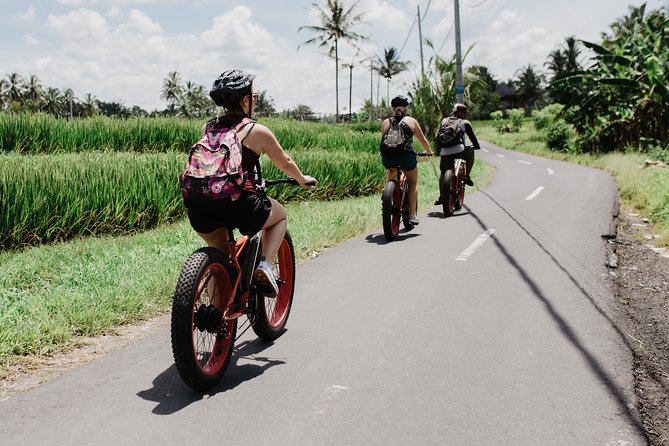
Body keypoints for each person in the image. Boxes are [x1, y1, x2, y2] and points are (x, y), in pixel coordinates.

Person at [184, 69, 317, 298]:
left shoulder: (207, 129)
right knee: (280, 216)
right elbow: (284, 162)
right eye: (254, 96)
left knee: (221, 257)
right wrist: (302, 179)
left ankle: (218, 316)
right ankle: (265, 266)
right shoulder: (256, 130)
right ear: (245, 100)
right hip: (239, 206)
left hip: (199, 206)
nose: (255, 100)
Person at [380, 95, 433, 225]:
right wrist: (429, 152)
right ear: (406, 107)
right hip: (406, 157)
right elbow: (423, 140)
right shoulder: (411, 121)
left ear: (393, 108)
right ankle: (413, 214)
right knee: (412, 182)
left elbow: (383, 141)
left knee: (391, 169)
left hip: (387, 158)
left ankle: (387, 189)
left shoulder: (386, 122)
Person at [434, 103, 480, 205]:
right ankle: (467, 176)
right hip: (459, 150)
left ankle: (442, 196)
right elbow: (473, 138)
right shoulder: (465, 123)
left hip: (444, 151)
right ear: (459, 113)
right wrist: (476, 146)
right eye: (464, 112)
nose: (465, 114)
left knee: (443, 173)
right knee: (470, 152)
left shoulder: (444, 121)